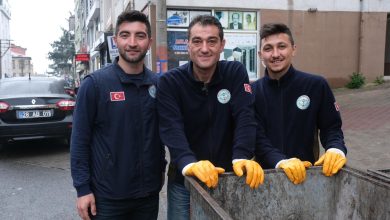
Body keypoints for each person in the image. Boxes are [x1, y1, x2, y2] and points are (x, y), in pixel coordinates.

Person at [157, 15, 264, 219]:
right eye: (197, 41)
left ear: (222, 45)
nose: (204, 48)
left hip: (228, 177)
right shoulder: (170, 82)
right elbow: (171, 128)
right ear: (188, 45)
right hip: (184, 181)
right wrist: (189, 163)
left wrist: (242, 155)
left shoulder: (235, 72)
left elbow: (245, 116)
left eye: (212, 41)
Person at [70, 10, 166, 220]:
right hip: (107, 198)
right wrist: (82, 189)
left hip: (148, 195)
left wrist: (161, 169)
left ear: (149, 42)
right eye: (125, 35)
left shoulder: (158, 84)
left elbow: (164, 133)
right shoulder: (95, 85)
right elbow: (79, 140)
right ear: (115, 41)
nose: (132, 42)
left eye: (139, 36)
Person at [252, 23, 347, 185]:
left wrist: (335, 149)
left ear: (293, 49)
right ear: (261, 54)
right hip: (264, 180)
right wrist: (281, 161)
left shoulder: (316, 85)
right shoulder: (252, 92)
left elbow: (331, 128)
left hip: (307, 178)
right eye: (268, 49)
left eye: (281, 46)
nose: (275, 54)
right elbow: (256, 139)